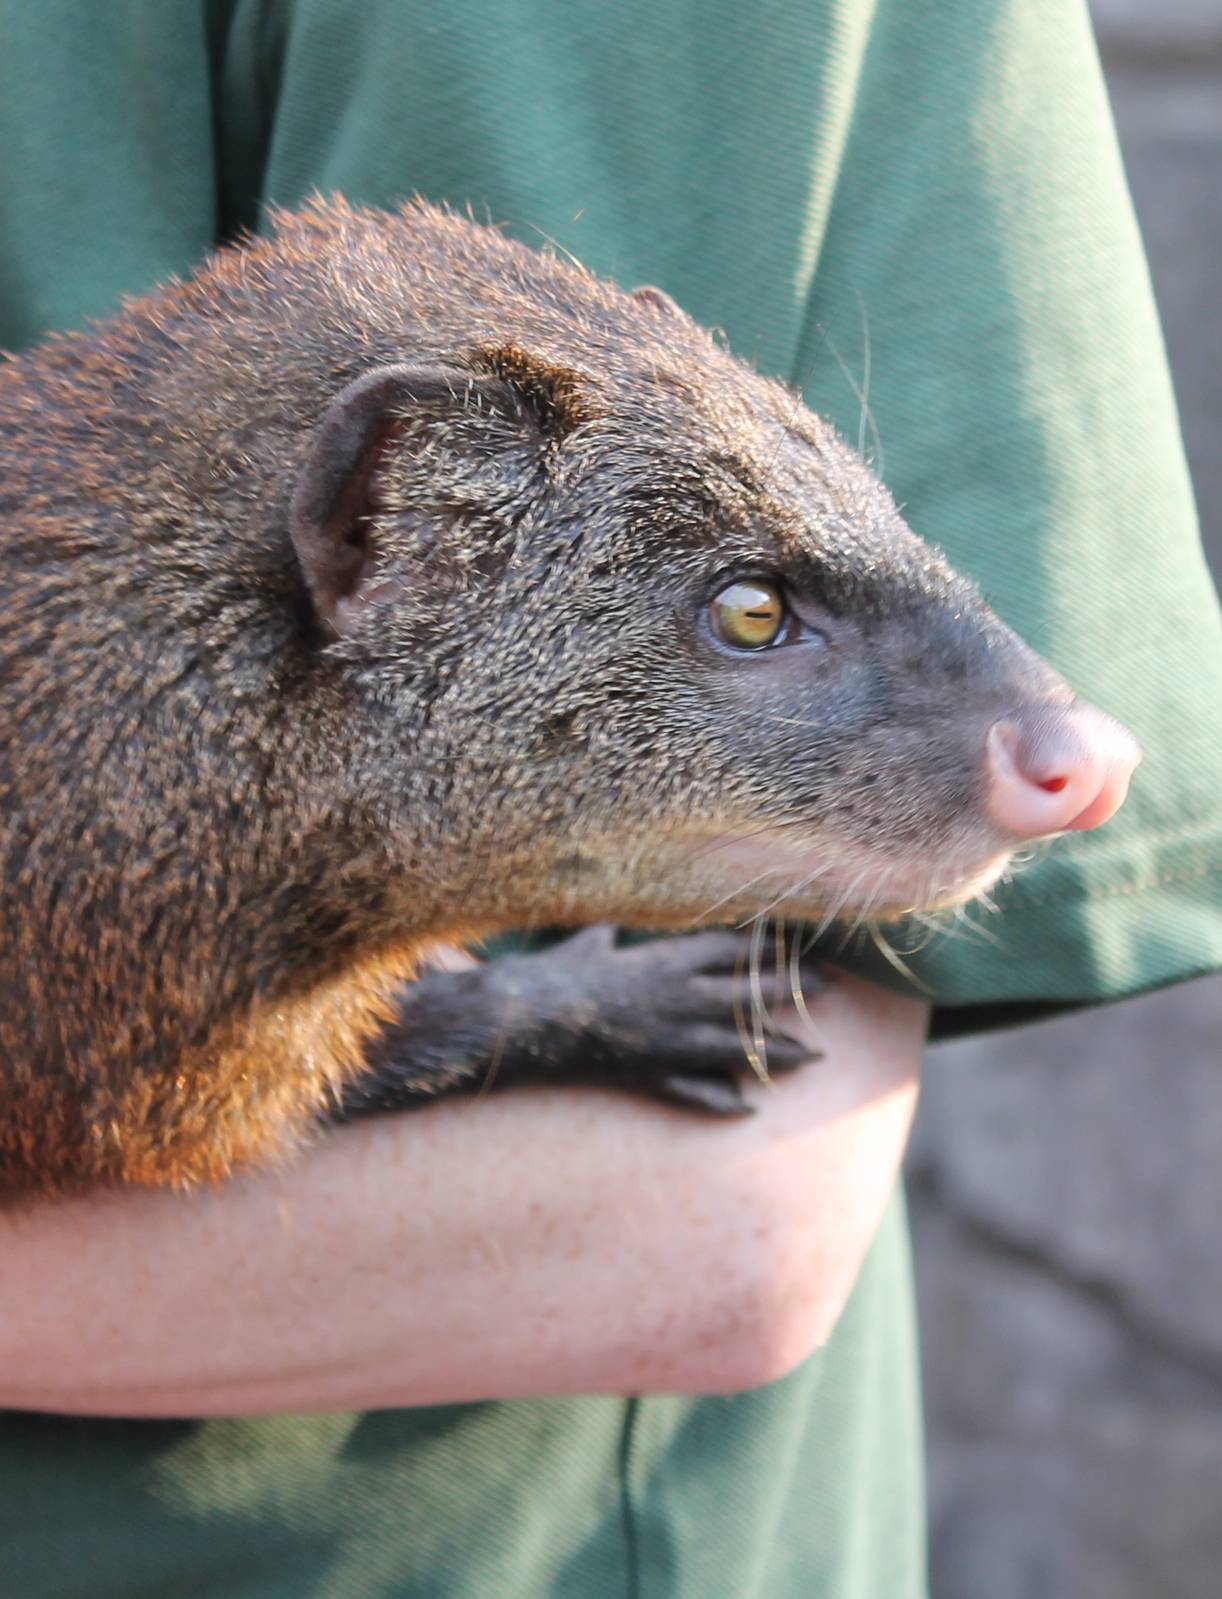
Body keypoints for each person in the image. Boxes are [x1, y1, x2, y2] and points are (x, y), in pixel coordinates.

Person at [1, 1, 1218, 1595]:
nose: (1069, 751)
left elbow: (714, 1231)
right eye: (754, 621)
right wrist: (508, 1017)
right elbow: (138, 1085)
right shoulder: (118, 830)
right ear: (388, 529)